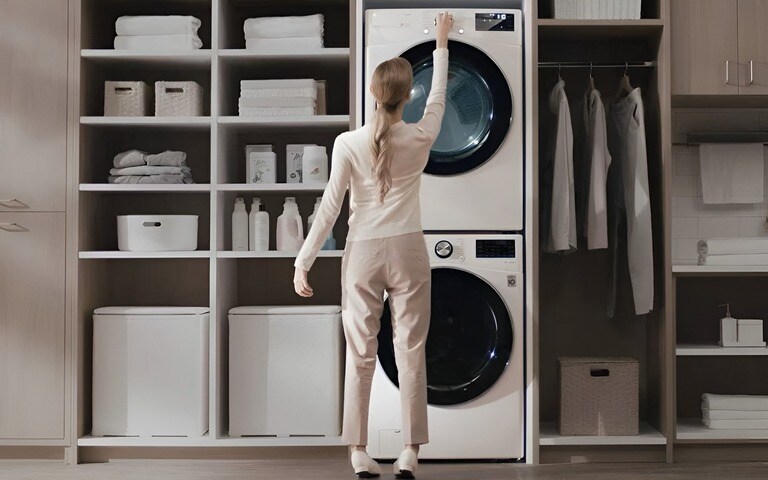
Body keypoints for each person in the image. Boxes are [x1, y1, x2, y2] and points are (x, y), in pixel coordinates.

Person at [294, 12, 453, 479]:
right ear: (407, 97)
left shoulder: (346, 143)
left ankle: (359, 452)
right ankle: (409, 451)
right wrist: (441, 43)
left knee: (360, 355)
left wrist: (303, 263)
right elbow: (440, 97)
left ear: (372, 94)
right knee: (411, 351)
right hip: (408, 251)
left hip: (362, 253)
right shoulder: (421, 136)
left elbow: (328, 210)